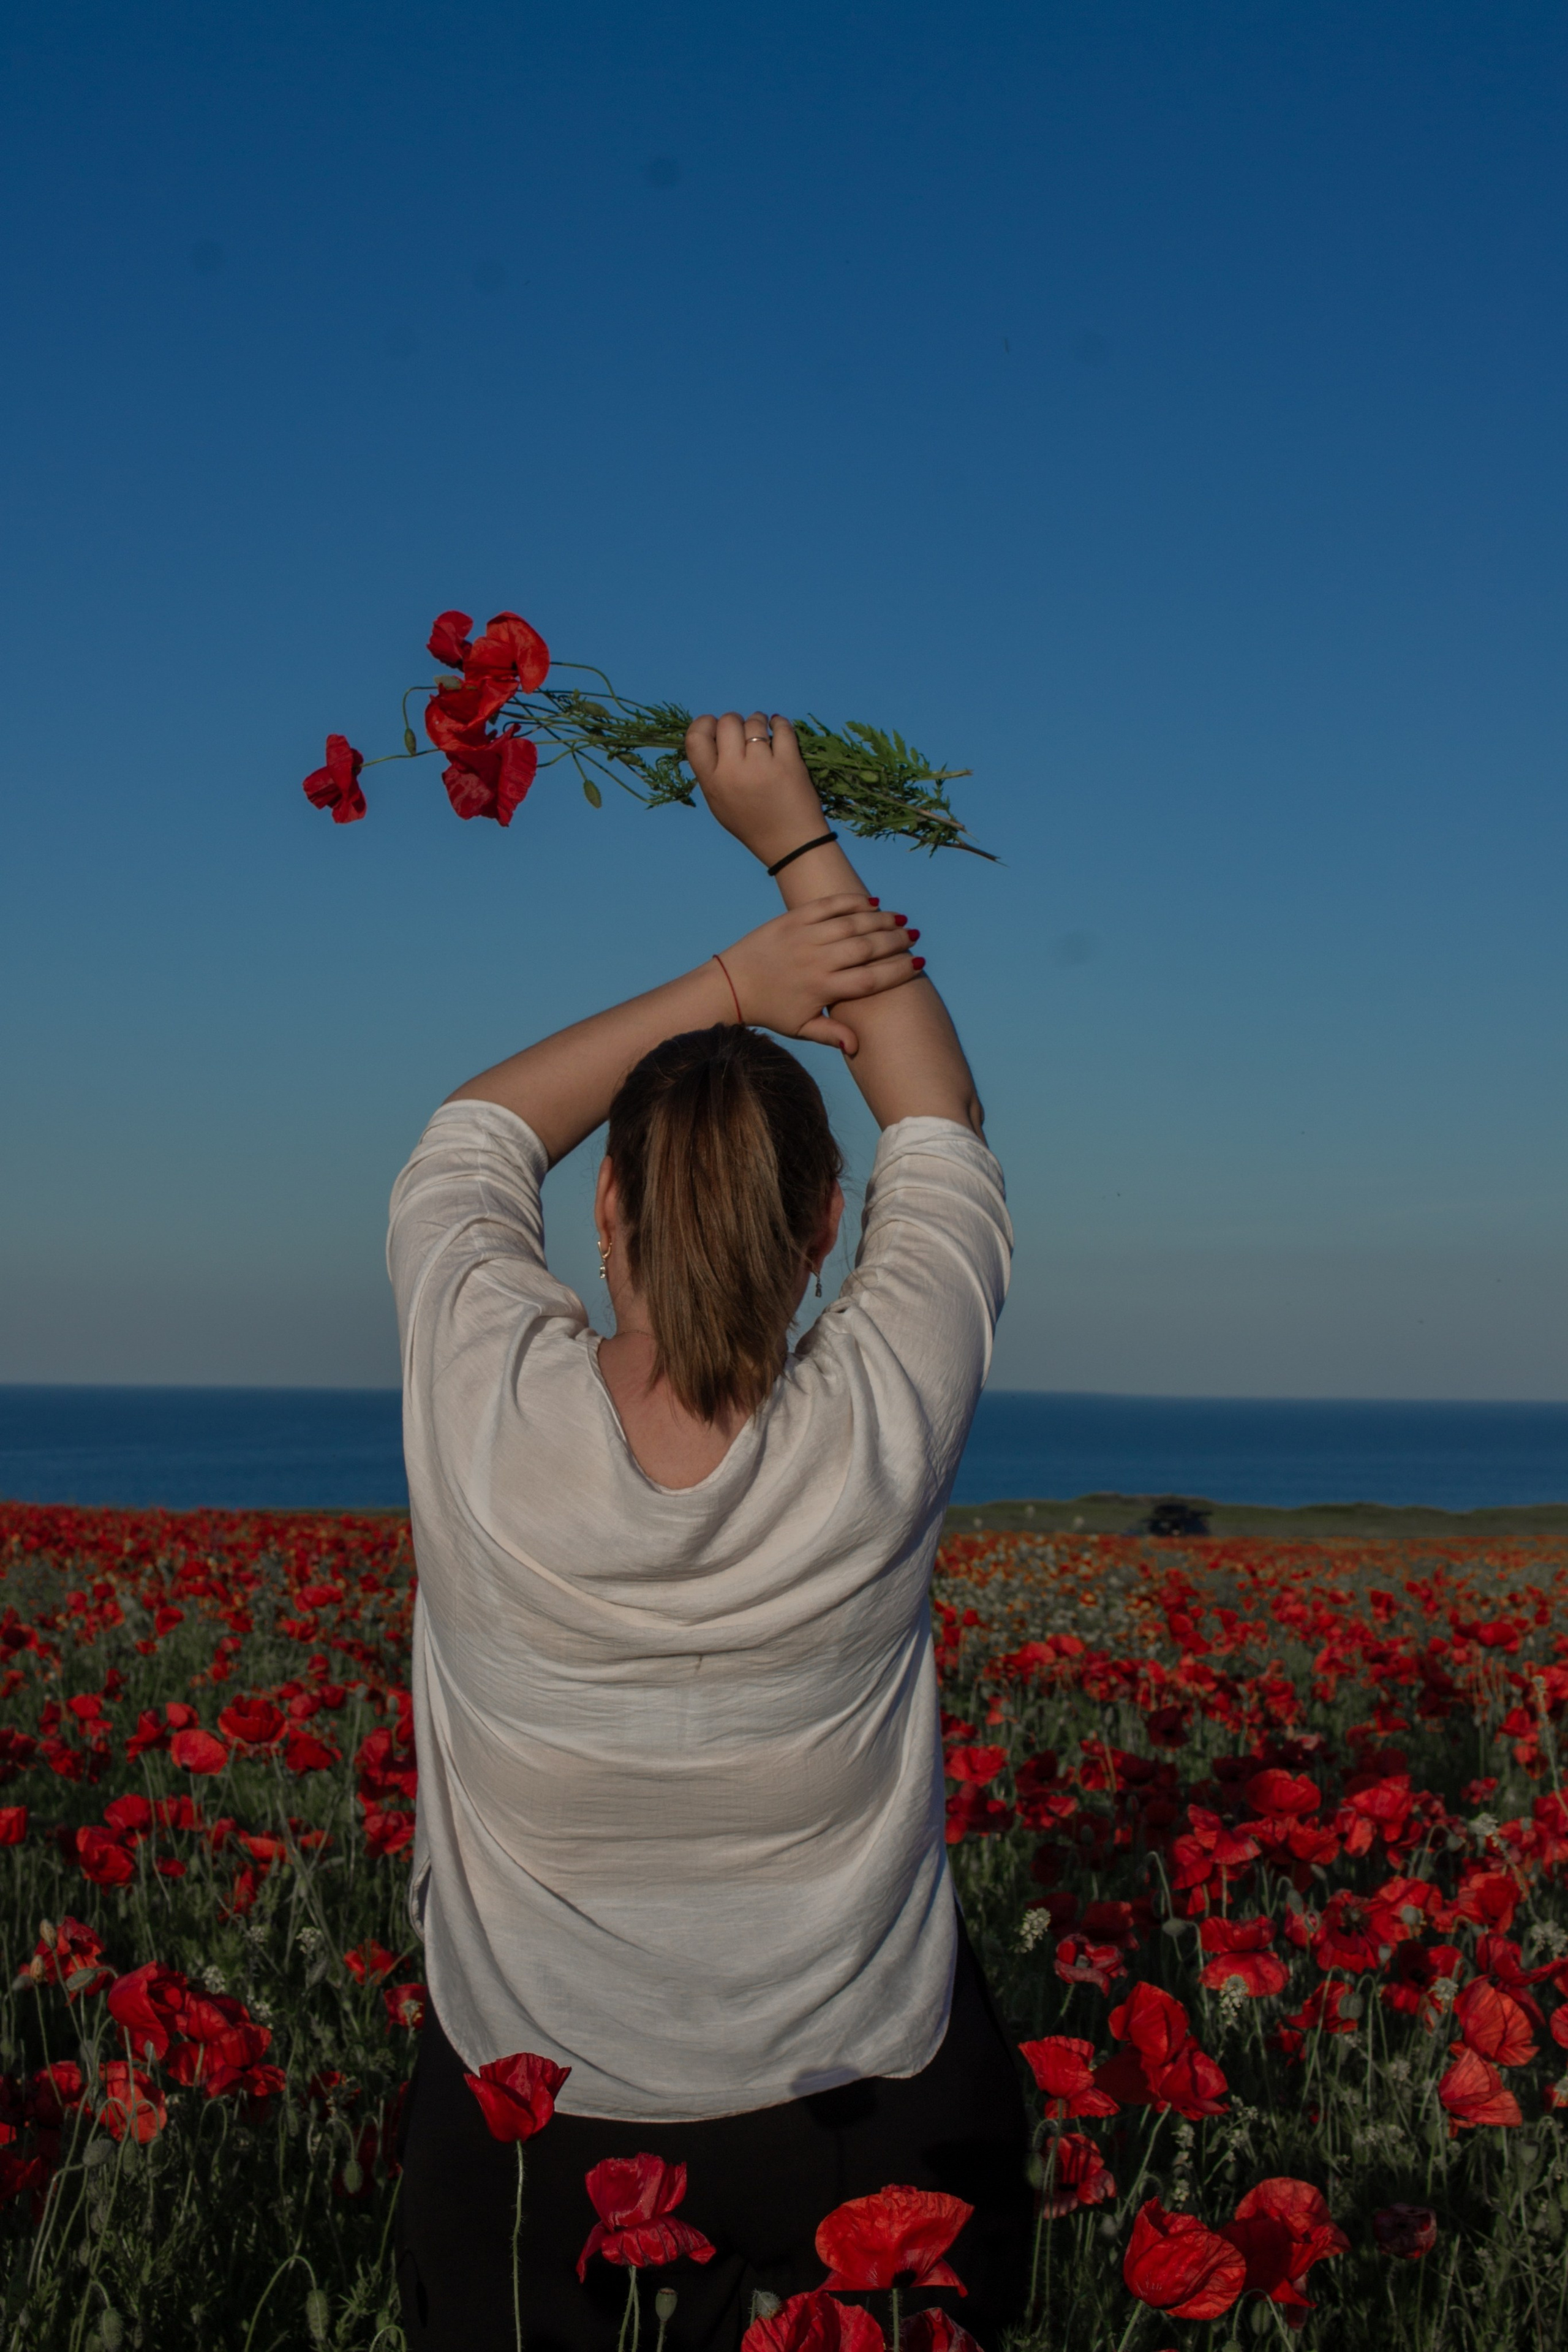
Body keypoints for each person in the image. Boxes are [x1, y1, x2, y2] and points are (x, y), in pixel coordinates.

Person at [390, 712, 1028, 2351]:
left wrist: (739, 984)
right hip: (863, 2109)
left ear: (602, 1209)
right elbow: (939, 1127)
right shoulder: (881, 1417)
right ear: (830, 1228)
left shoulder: (485, 1407)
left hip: (546, 2122)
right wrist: (797, 836)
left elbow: (472, 1139)